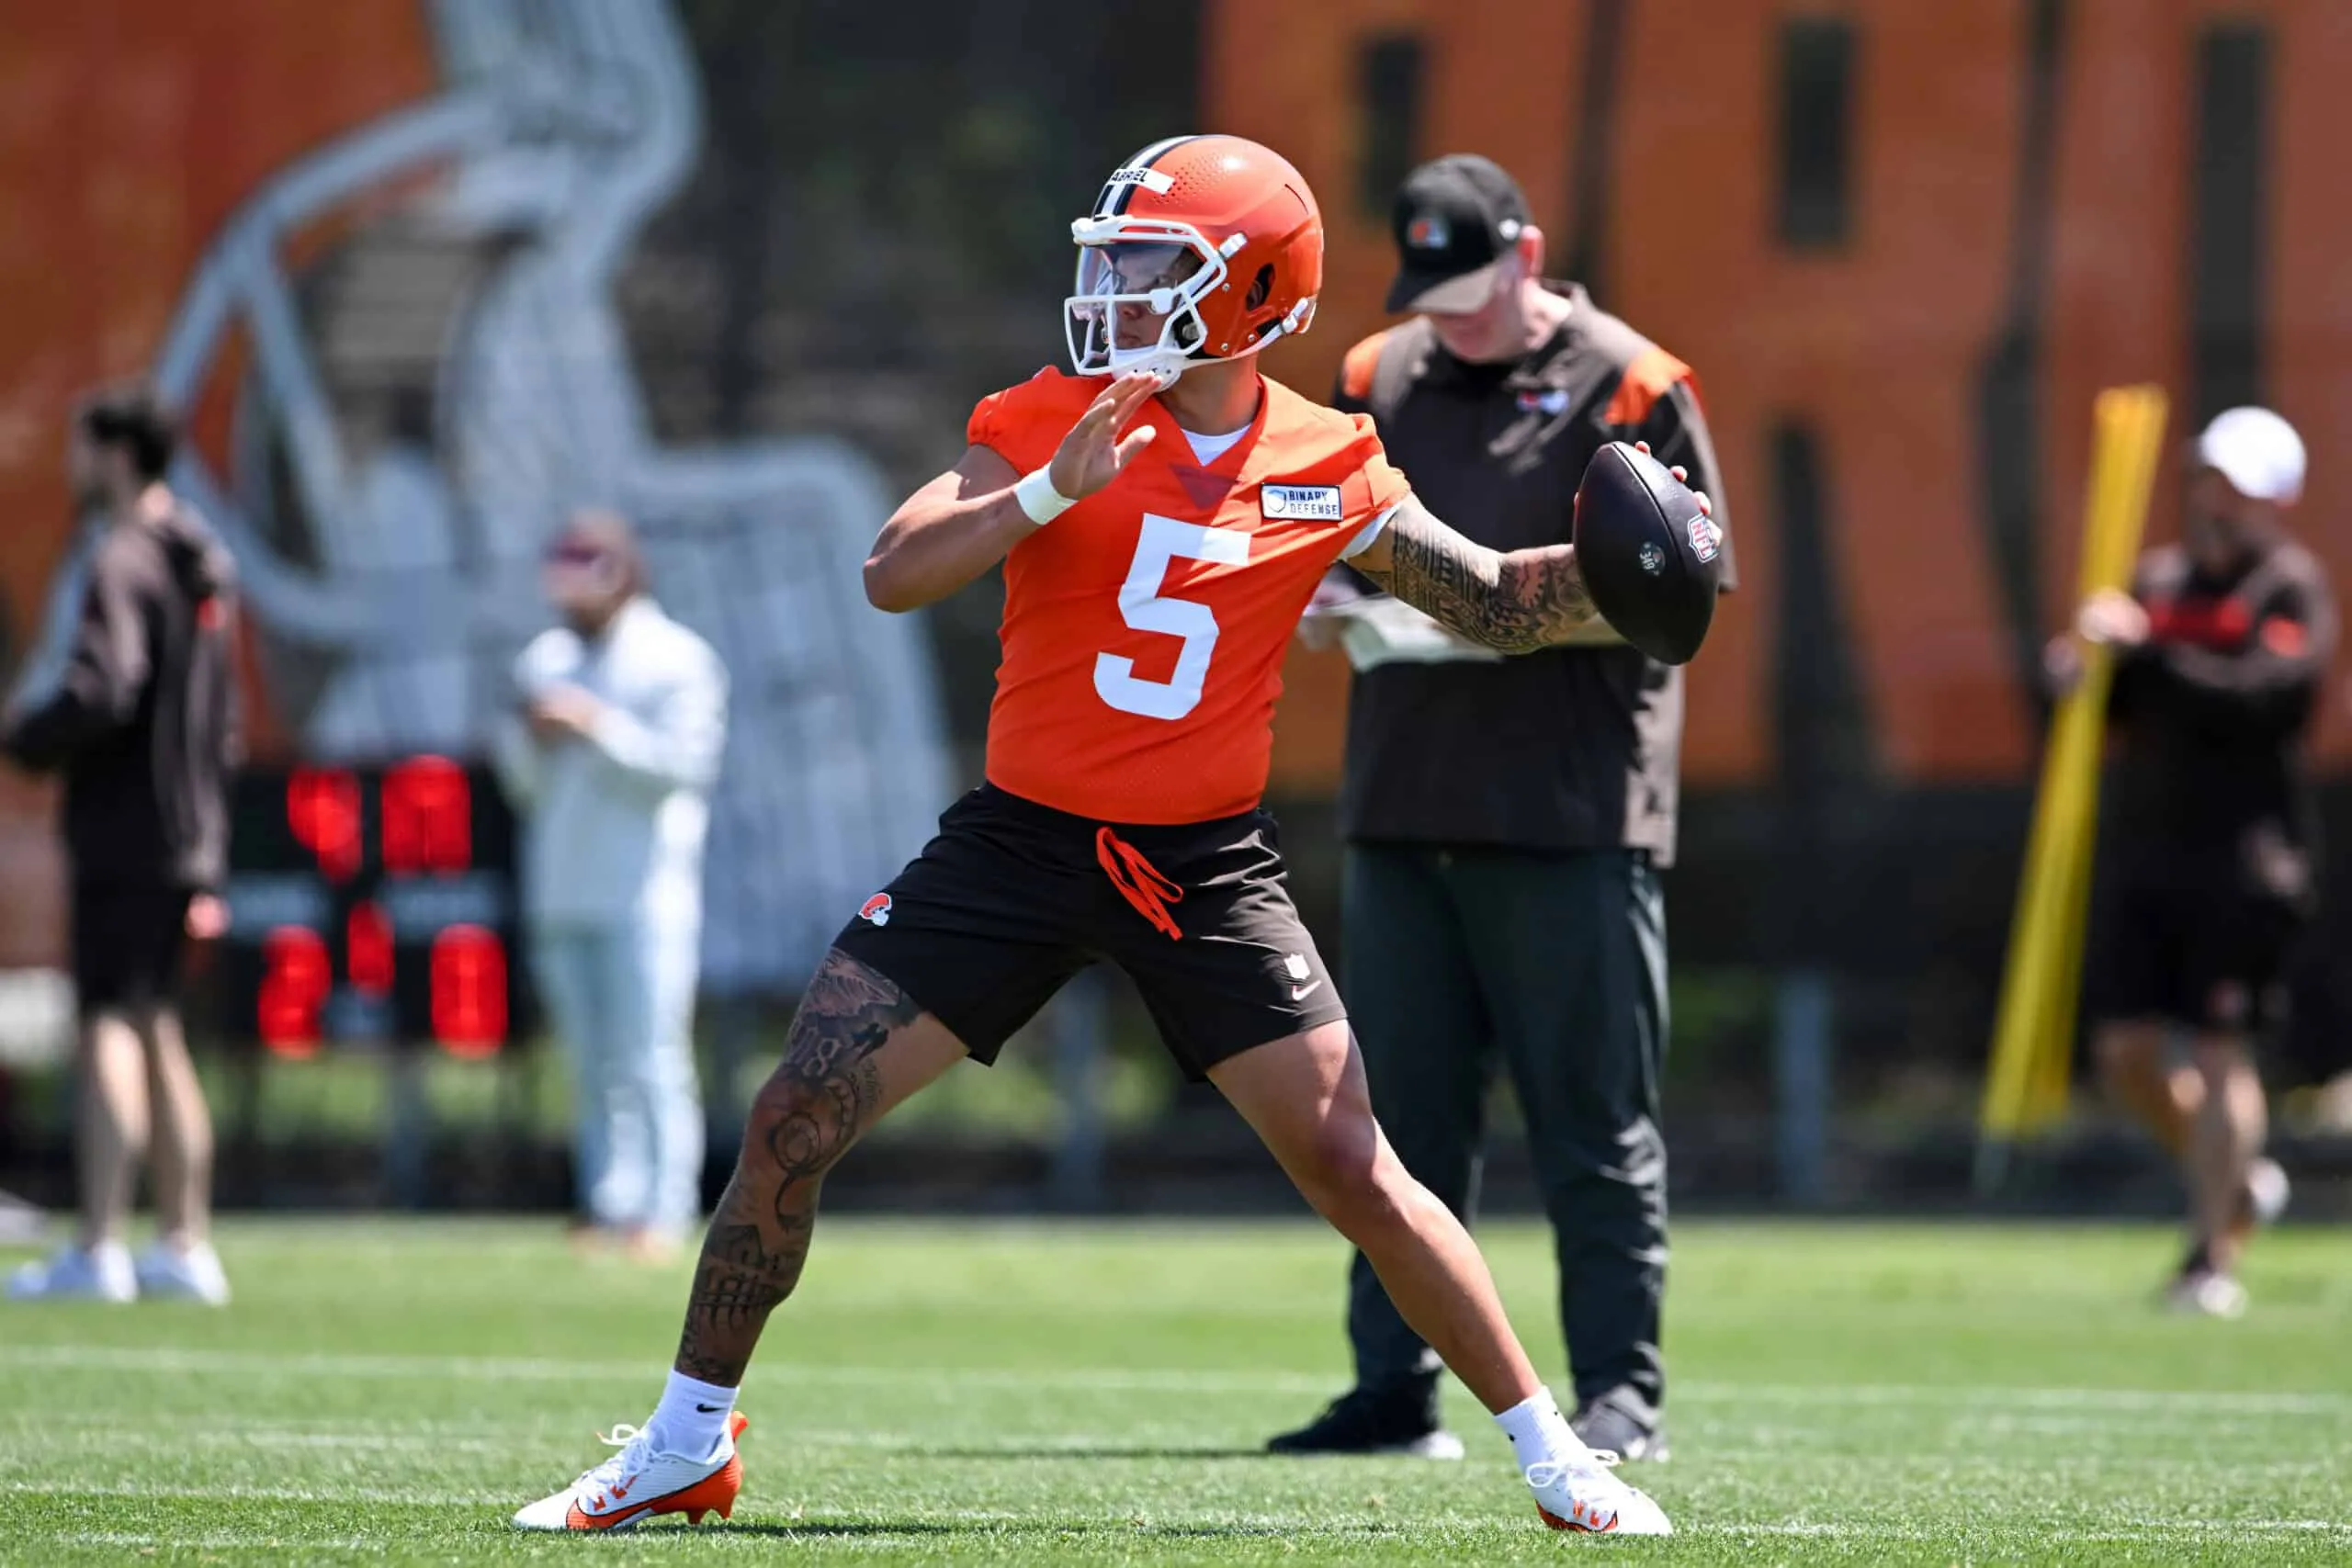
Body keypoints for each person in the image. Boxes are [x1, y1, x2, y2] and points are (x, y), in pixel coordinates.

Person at [512, 134, 1715, 1536]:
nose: (1123, 292)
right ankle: (684, 1439)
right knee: (794, 1111)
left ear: (1254, 293)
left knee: (1357, 1165)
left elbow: (1491, 599)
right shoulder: (1047, 413)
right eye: (1119, 262)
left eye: (1159, 268)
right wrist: (1042, 494)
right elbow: (893, 571)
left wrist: (1632, 575)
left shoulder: (1330, 460)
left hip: (1201, 865)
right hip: (1018, 845)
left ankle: (1558, 1456)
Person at [1271, 154, 1730, 1465]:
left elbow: (1683, 592)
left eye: (1470, 288)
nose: (1448, 318)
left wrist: (1479, 625)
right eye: (1431, 291)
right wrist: (1327, 603)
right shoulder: (1379, 372)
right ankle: (1391, 1389)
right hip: (1405, 802)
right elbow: (1323, 535)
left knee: (1592, 1120)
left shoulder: (1637, 383)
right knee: (1388, 1130)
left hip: (1570, 812)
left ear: (1528, 254)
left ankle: (1619, 1395)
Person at [2056, 406, 2333, 1317]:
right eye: (2209, 477)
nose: (2217, 497)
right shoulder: (2159, 579)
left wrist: (2149, 648)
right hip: (2152, 848)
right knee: (2125, 1052)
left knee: (2220, 1051)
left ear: (2272, 496)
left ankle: (2210, 1255)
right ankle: (2235, 1182)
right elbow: (2119, 707)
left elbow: (2266, 699)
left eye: (2237, 483)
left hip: (2246, 858)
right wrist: (2084, 666)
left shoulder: (2287, 590)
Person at [3, 385, 240, 1306]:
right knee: (158, 1027)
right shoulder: (200, 556)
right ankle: (184, 1244)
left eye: (79, 445)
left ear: (112, 453)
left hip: (124, 830)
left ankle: (98, 1245)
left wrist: (27, 735)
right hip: (183, 833)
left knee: (106, 1022)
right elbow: (214, 726)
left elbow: (106, 683)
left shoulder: (125, 555)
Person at [492, 511, 729, 1265]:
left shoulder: (677, 659)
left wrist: (595, 725)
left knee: (649, 1053)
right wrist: (531, 738)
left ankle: (664, 1209)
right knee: (587, 1061)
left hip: (643, 895)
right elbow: (521, 783)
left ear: (623, 575)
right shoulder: (545, 658)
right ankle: (607, 1200)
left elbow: (683, 771)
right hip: (561, 891)